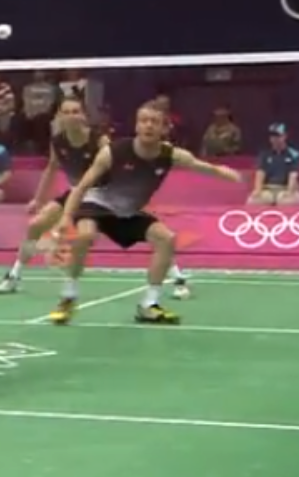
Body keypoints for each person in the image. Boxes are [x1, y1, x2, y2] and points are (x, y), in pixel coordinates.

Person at [50, 102, 242, 325]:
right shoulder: (114, 152)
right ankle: (69, 296)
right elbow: (82, 187)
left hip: (128, 212)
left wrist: (226, 174)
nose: (148, 126)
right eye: (143, 121)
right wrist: (66, 217)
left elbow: (205, 167)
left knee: (166, 239)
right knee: (85, 235)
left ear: (164, 128)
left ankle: (149, 304)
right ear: (136, 126)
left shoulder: (171, 155)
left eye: (154, 122)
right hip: (96, 204)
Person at [0, 97, 192, 298]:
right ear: (59, 116)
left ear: (84, 116)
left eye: (76, 111)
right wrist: (38, 199)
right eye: (66, 112)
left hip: (104, 196)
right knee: (36, 225)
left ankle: (177, 278)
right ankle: (14, 276)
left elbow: (121, 164)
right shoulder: (58, 141)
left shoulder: (99, 141)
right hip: (77, 193)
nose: (71, 116)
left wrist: (131, 197)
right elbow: (51, 168)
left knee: (152, 233)